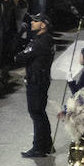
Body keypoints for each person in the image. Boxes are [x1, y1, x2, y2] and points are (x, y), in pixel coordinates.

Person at [18, 12, 55, 157]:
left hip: (37, 81)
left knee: (36, 112)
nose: (32, 23)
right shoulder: (47, 40)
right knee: (40, 112)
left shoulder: (40, 42)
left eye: (36, 21)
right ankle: (47, 144)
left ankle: (38, 147)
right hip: (42, 79)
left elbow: (21, 57)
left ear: (43, 25)